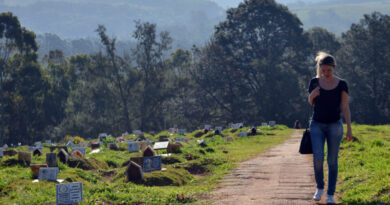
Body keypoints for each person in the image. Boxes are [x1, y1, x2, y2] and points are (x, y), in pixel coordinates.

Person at [308, 51, 352, 204]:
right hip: (317, 124)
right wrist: (312, 94)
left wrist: (349, 129)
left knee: (332, 161)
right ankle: (320, 187)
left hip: (335, 125)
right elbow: (311, 102)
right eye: (323, 70)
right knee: (318, 157)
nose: (326, 73)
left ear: (334, 68)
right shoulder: (314, 82)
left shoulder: (342, 84)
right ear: (320, 69)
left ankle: (331, 194)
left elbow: (345, 107)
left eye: (329, 70)